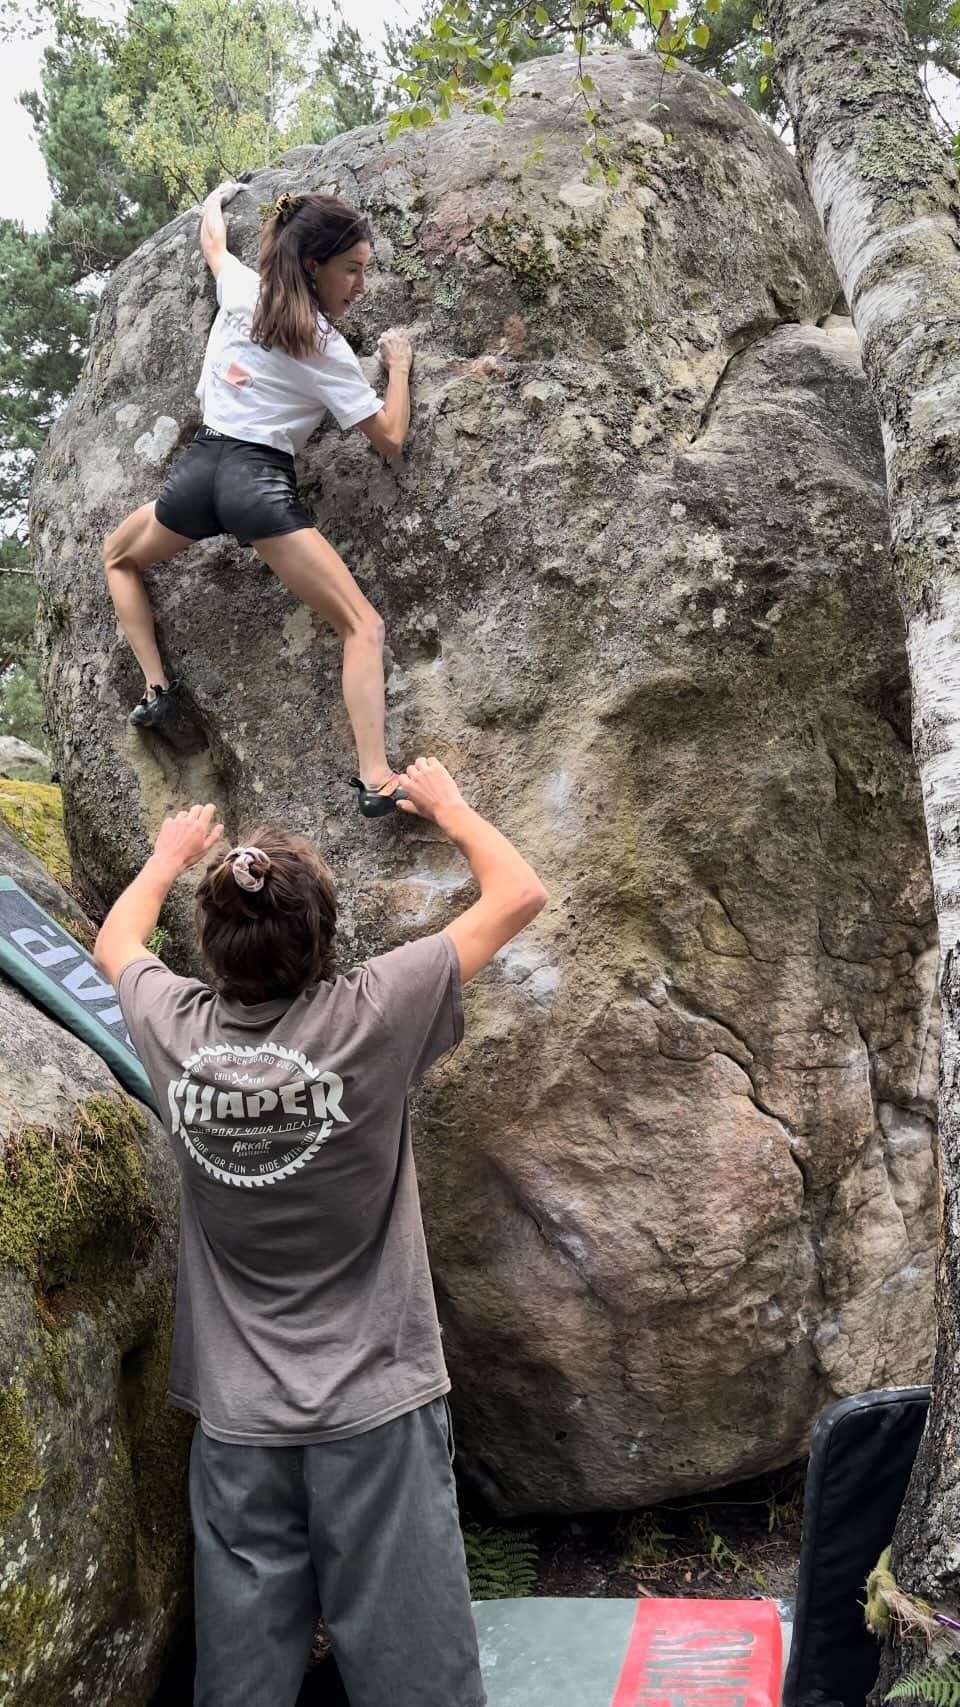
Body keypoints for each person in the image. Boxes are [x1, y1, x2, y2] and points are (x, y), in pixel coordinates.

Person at [93, 756, 548, 1707]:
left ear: (214, 948)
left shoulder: (172, 1028)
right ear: (321, 938)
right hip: (376, 1409)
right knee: (414, 1676)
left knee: (244, 1680)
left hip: (239, 1422)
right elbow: (519, 892)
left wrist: (169, 853)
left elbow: (115, 942)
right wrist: (451, 805)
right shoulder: (375, 1015)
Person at [103, 181, 414, 819]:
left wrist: (213, 200)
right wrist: (399, 368)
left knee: (118, 557)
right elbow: (388, 437)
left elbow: (213, 244)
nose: (360, 286)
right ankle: (376, 778)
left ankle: (158, 687)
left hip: (199, 473)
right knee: (363, 626)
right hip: (256, 484)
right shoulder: (325, 347)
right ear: (313, 266)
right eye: (352, 271)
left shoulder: (244, 290)